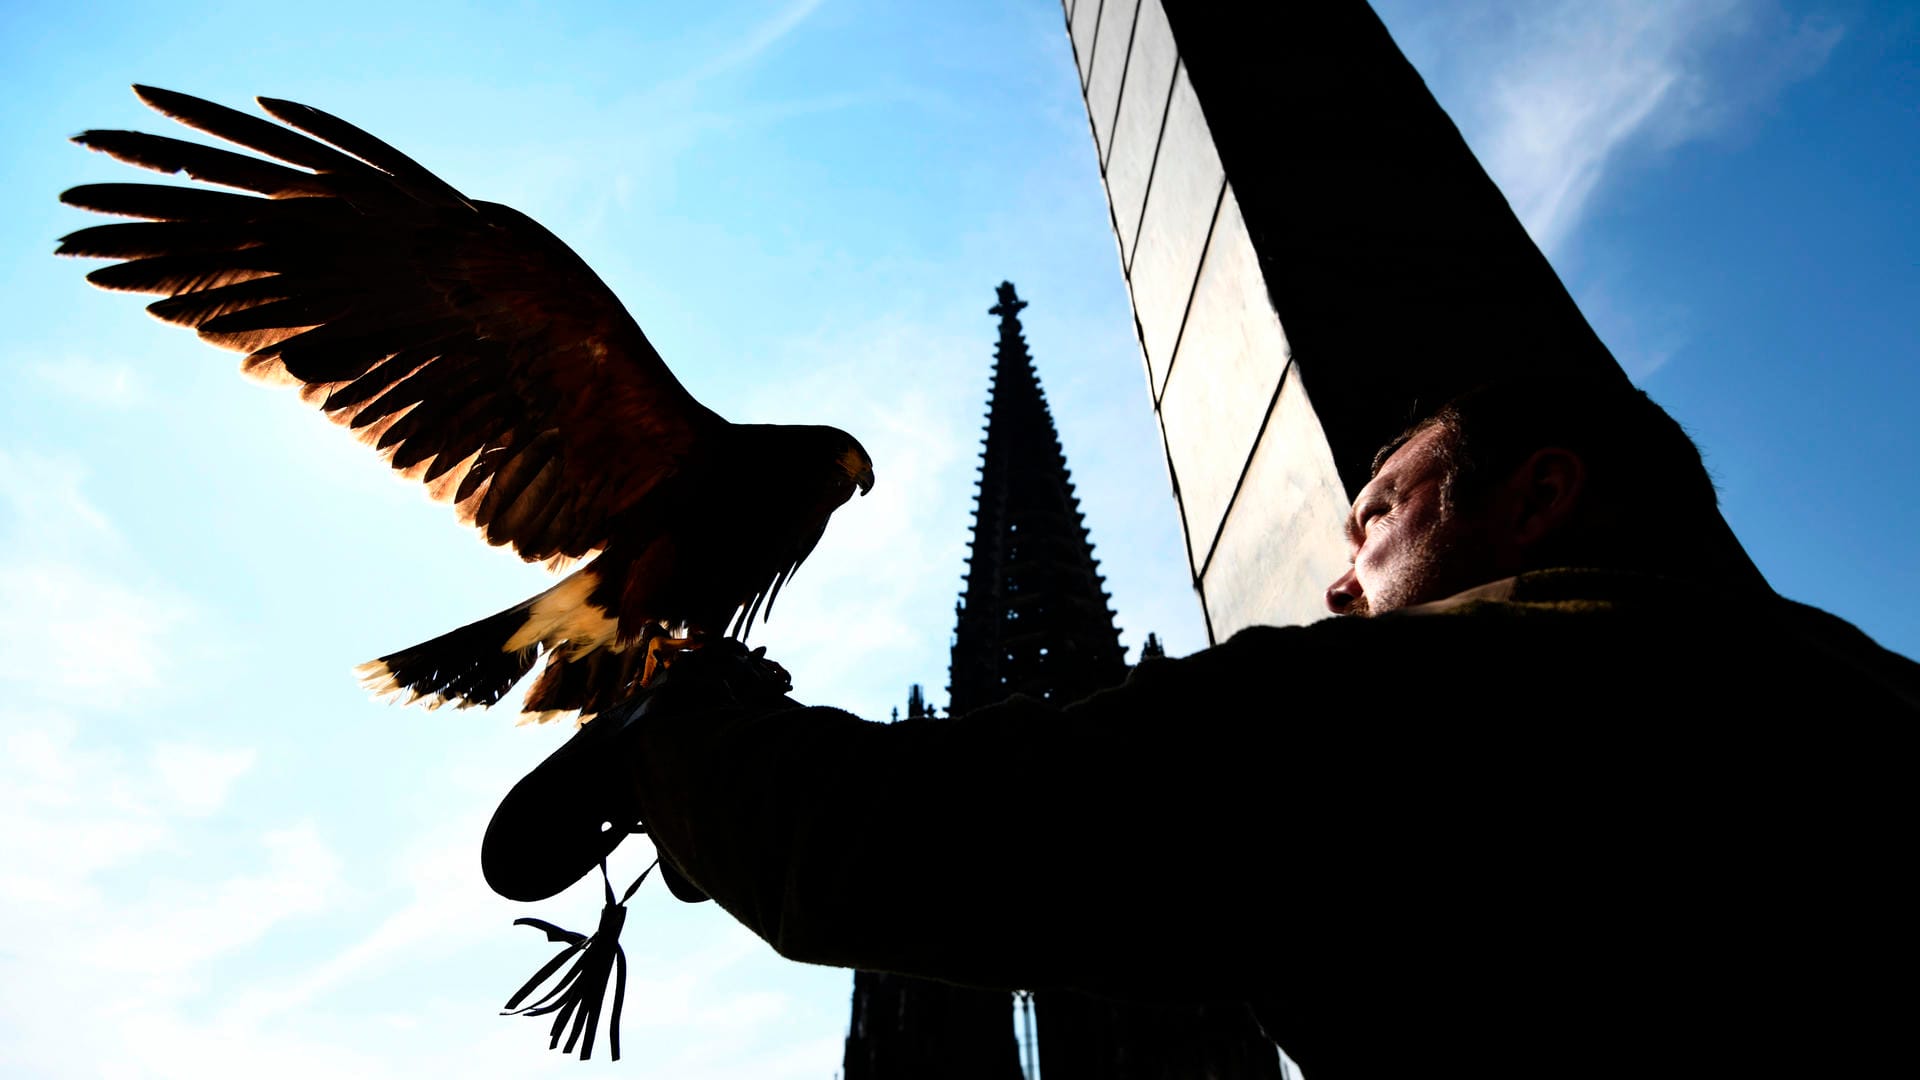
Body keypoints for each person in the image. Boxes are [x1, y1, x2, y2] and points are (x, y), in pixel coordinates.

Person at [597, 376, 1913, 1077]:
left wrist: (675, 714)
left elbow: (868, 847)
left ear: (1540, 499)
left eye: (1378, 516)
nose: (1340, 577)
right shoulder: (1858, 697)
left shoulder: (1422, 712)